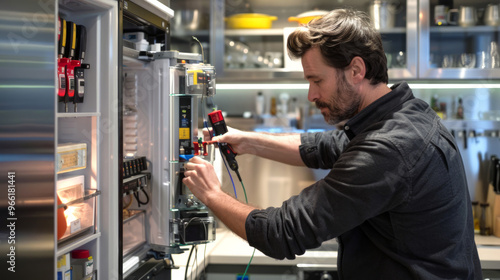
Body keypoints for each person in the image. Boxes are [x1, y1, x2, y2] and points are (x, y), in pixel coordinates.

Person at [182, 8, 482, 279]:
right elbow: (324, 146)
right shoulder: (405, 115)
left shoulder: (388, 148)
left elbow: (282, 232)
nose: (311, 95)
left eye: (317, 80)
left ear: (356, 70)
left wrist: (211, 194)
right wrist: (249, 141)